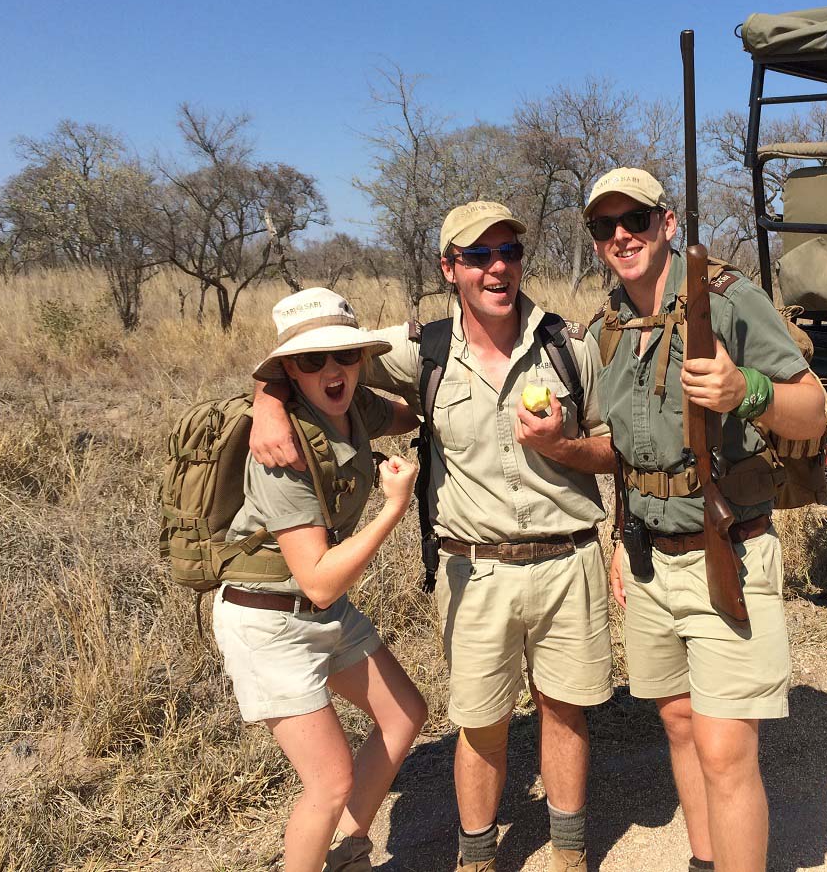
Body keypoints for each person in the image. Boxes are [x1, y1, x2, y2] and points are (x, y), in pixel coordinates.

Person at [250, 203, 615, 872]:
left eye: (506, 251)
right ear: (450, 269)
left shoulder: (570, 344)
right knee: (480, 724)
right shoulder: (423, 349)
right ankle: (475, 859)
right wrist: (266, 400)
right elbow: (314, 360)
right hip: (472, 571)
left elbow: (615, 445)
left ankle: (569, 853)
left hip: (569, 561)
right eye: (476, 257)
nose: (495, 267)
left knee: (564, 713)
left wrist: (565, 446)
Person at [584, 168, 827, 872]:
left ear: (667, 223)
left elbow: (811, 412)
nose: (622, 236)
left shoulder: (728, 300)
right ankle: (704, 861)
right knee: (679, 724)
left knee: (726, 750)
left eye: (636, 220)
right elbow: (632, 452)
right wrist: (617, 545)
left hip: (730, 545)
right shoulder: (612, 323)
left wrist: (743, 389)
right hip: (647, 557)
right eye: (606, 226)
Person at [215, 287, 428, 872]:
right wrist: (392, 508)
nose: (331, 371)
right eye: (312, 361)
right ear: (290, 371)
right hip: (269, 619)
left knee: (404, 713)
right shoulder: (281, 449)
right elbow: (319, 582)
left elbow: (419, 410)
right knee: (330, 782)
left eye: (344, 356)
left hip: (319, 618)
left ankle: (349, 853)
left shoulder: (357, 408)